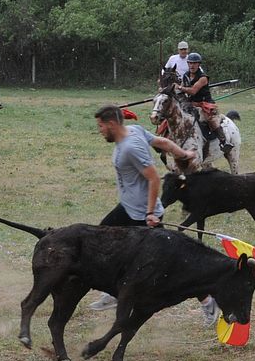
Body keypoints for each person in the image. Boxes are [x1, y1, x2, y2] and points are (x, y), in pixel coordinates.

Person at [87, 105, 218, 322]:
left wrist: (150, 214)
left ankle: (207, 300)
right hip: (128, 208)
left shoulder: (131, 147)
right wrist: (184, 154)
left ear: (111, 124)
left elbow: (154, 179)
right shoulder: (135, 130)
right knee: (101, 241)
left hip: (142, 215)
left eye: (101, 126)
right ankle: (113, 292)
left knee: (171, 262)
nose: (99, 130)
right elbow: (163, 142)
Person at [176, 52, 233, 154]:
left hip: (204, 104)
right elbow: (182, 91)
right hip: (190, 104)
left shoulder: (203, 78)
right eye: (190, 63)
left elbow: (193, 91)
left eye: (195, 63)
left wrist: (180, 87)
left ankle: (224, 141)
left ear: (199, 64)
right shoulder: (185, 75)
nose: (192, 65)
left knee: (210, 119)